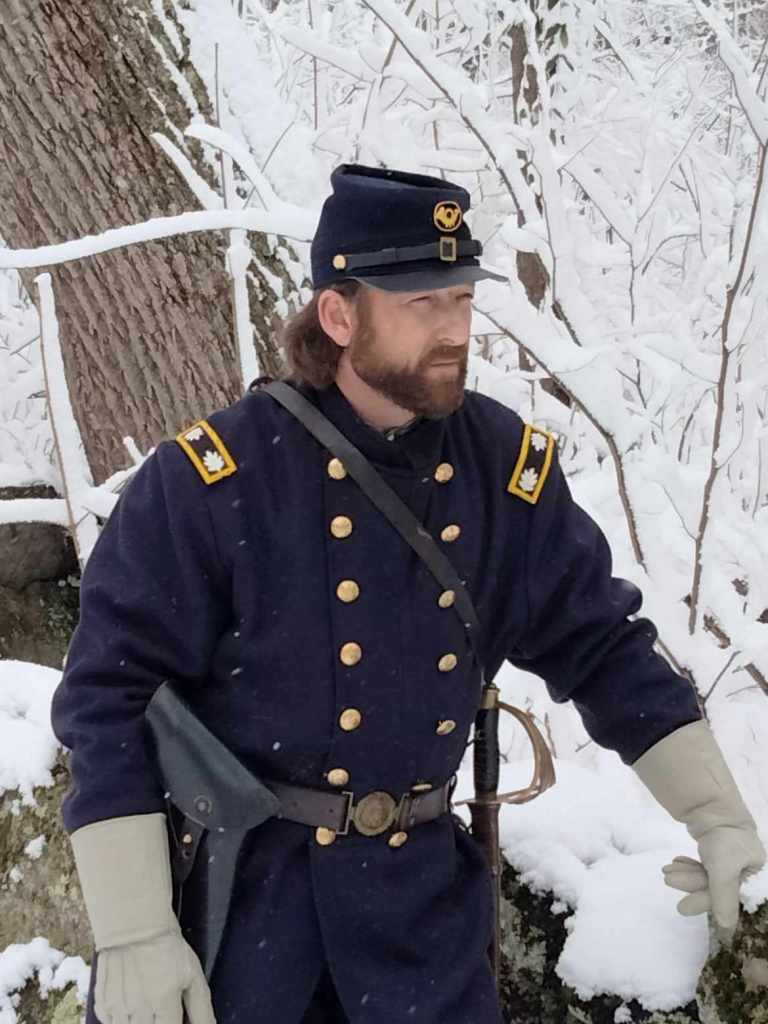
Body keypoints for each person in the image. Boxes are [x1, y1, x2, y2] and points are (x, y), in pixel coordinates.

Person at [50, 164, 765, 1024]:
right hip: (244, 922)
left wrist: (717, 815)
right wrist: (134, 932)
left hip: (423, 933)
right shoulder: (215, 481)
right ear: (338, 315)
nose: (455, 328)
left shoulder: (500, 470)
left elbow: (602, 645)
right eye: (422, 303)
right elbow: (110, 694)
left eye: (461, 298)